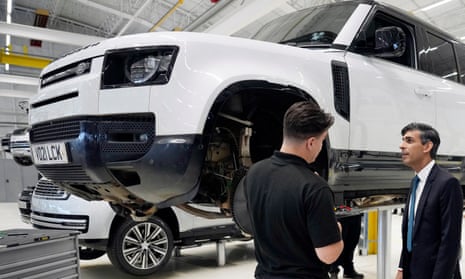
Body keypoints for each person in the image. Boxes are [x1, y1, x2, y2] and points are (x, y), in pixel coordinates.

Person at [241, 101, 343, 279]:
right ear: (311, 142)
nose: (321, 147)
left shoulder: (254, 173)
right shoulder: (314, 187)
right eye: (322, 140)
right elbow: (328, 255)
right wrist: (337, 229)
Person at [396, 122, 462, 279]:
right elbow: (412, 232)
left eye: (409, 141)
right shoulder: (415, 182)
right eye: (402, 140)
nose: (401, 146)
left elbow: (450, 242)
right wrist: (401, 267)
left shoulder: (447, 184)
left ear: (427, 147)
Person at [329, 214, 364, 279]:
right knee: (337, 242)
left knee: (353, 241)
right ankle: (333, 270)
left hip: (355, 212)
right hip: (339, 213)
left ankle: (348, 269)